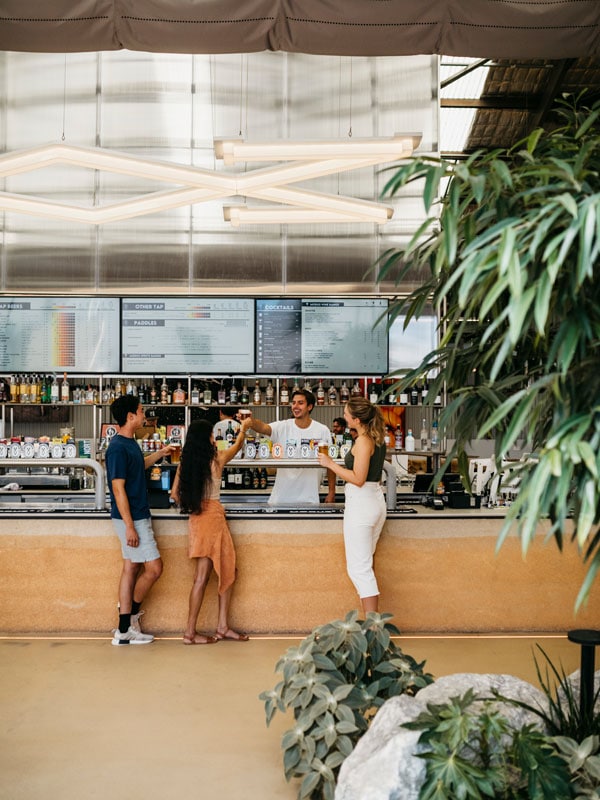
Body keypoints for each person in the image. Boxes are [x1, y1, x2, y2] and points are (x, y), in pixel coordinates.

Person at [170, 415, 253, 644]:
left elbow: (174, 495)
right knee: (226, 571)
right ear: (207, 438)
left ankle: (201, 629)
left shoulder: (185, 463)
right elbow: (237, 447)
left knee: (202, 577)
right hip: (214, 520)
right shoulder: (216, 459)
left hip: (197, 520)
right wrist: (244, 430)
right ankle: (207, 630)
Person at [106, 395, 176, 645]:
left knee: (131, 568)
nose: (144, 414)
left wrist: (160, 453)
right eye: (140, 410)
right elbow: (118, 489)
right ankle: (128, 622)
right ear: (130, 416)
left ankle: (125, 628)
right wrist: (129, 527)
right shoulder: (117, 448)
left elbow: (138, 467)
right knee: (154, 568)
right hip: (131, 517)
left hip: (137, 515)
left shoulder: (130, 443)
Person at [317, 396, 387, 614]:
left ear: (356, 419)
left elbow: (358, 478)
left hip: (362, 505)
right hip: (375, 501)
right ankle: (373, 625)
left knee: (359, 569)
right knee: (366, 566)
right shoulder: (377, 438)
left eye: (347, 413)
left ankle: (373, 629)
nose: (344, 415)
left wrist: (330, 464)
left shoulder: (364, 441)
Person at [249, 389, 336, 505]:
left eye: (300, 403)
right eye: (293, 402)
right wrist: (250, 421)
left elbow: (330, 464)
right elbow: (263, 428)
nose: (295, 406)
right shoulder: (283, 427)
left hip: (309, 500)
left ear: (310, 406)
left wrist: (332, 491)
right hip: (280, 500)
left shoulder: (322, 430)